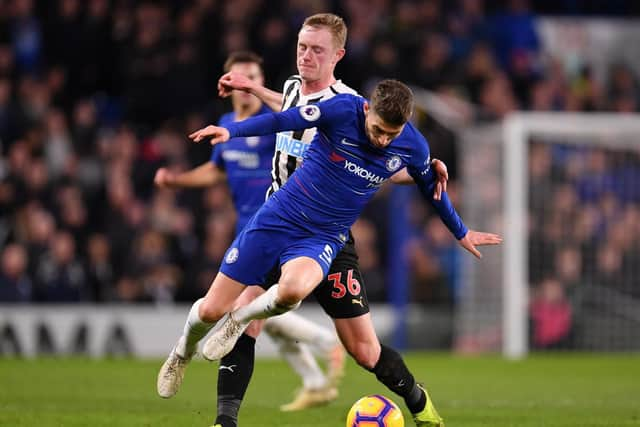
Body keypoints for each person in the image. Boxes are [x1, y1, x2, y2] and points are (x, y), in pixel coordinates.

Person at [180, 78, 502, 427]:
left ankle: (420, 403)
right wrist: (234, 132)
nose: (382, 140)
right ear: (367, 109)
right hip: (284, 219)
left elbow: (431, 187)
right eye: (378, 130)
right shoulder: (340, 110)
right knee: (245, 316)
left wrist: (461, 231)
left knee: (365, 352)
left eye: (391, 135)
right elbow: (283, 120)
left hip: (331, 241)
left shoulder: (413, 145)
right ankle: (224, 421)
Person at [154, 52, 347, 425]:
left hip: (287, 226)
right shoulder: (227, 124)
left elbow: (297, 112)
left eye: (252, 77)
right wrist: (176, 181)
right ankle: (183, 352)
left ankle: (228, 417)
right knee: (218, 311)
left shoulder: (276, 125)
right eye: (238, 77)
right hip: (250, 228)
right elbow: (215, 172)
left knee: (256, 316)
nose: (244, 85)